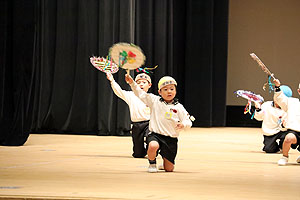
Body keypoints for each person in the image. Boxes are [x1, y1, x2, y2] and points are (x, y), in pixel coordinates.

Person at [125, 74, 193, 172]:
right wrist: (132, 83)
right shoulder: (154, 101)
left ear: (175, 91)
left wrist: (184, 124)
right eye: (165, 89)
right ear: (159, 92)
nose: (169, 91)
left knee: (169, 169)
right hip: (155, 135)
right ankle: (152, 163)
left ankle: (166, 161)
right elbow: (140, 93)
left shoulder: (179, 107)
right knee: (153, 146)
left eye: (171, 89)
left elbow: (188, 120)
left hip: (170, 139)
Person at [106, 72, 152, 158]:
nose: (141, 84)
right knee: (138, 154)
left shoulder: (151, 97)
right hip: (136, 125)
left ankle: (153, 149)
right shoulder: (131, 95)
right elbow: (119, 91)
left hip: (149, 124)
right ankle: (144, 150)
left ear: (149, 85)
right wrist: (112, 80)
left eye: (144, 82)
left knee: (150, 138)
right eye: (138, 82)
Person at [273, 79, 300, 165]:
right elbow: (281, 99)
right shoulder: (292, 102)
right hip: (295, 131)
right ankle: (285, 157)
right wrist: (277, 86)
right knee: (288, 138)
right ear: (299, 91)